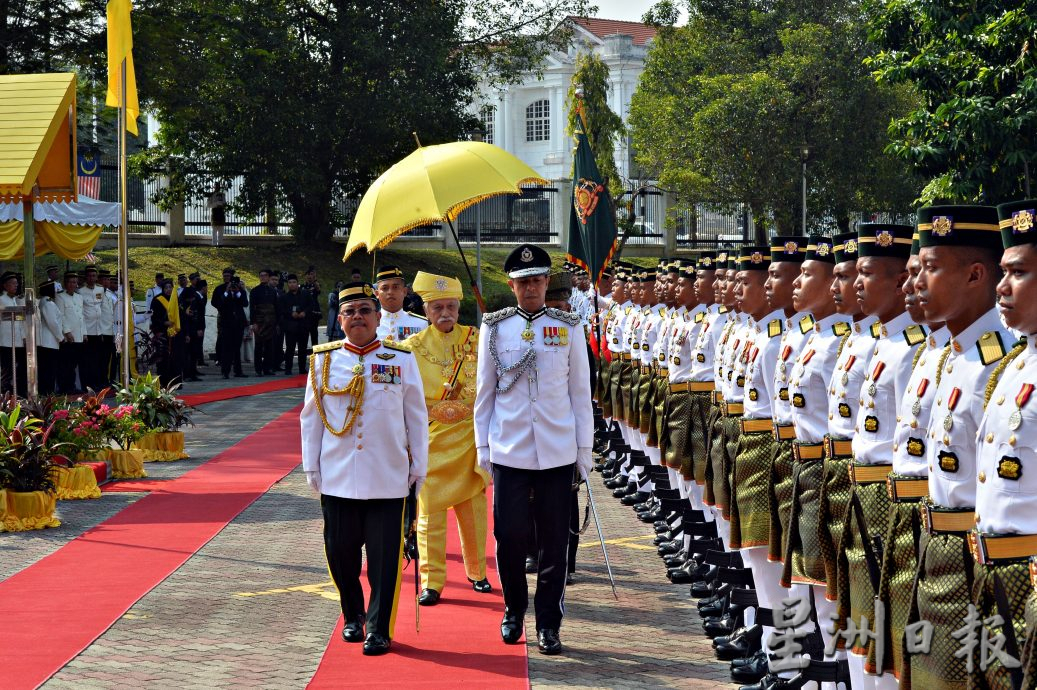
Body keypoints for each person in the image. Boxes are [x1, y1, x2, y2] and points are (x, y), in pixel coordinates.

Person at [910, 205, 1013, 690]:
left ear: (975, 275)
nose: (917, 283)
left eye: (932, 268)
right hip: (938, 545)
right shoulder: (953, 353)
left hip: (981, 559)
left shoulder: (999, 359)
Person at [473, 243, 593, 656]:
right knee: (508, 536)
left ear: (546, 283)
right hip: (510, 448)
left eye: (538, 280)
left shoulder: (569, 325)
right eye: (523, 282)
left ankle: (549, 622)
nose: (531, 288)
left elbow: (580, 391)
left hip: (557, 450)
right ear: (511, 284)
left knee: (554, 540)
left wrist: (583, 447)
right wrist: (482, 445)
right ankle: (512, 609)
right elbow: (484, 393)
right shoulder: (495, 326)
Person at [301, 281, 428, 656]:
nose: (358, 317)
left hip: (388, 477)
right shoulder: (322, 360)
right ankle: (353, 615)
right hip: (338, 477)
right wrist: (312, 467)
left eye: (365, 311)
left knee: (385, 561)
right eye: (350, 312)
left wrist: (419, 466)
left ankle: (378, 629)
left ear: (377, 317)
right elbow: (310, 419)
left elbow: (416, 417)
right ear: (339, 320)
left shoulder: (401, 359)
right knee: (340, 554)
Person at [975, 199, 1037, 690]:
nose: (1002, 287)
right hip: (995, 578)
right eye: (1002, 271)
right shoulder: (1013, 364)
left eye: (1018, 272)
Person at [401, 271, 491, 606]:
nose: (445, 313)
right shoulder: (411, 348)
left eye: (451, 306)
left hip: (468, 437)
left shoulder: (477, 338)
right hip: (431, 440)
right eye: (438, 307)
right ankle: (432, 580)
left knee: (473, 511)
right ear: (426, 310)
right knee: (430, 518)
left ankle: (477, 572)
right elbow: (405, 398)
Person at [79, 265, 115, 391]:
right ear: (85, 277)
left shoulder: (100, 290)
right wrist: (83, 332)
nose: (91, 278)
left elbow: (102, 309)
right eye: (89, 275)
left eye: (94, 276)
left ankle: (97, 382)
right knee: (87, 361)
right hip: (87, 331)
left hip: (99, 331)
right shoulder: (80, 292)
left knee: (98, 359)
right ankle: (87, 385)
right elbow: (81, 313)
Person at [374, 265, 427, 343]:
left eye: (395, 287)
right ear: (377, 294)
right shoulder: (369, 324)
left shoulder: (421, 324)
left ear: (405, 292)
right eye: (385, 288)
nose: (390, 292)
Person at [211, 275, 249, 379]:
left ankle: (238, 371)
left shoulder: (241, 292)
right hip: (226, 324)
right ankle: (225, 371)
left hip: (238, 324)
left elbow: (245, 303)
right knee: (226, 349)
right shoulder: (223, 292)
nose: (233, 286)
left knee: (237, 348)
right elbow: (218, 303)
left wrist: (237, 292)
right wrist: (227, 292)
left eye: (235, 284)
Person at [55, 271, 85, 393]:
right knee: (65, 364)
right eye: (71, 282)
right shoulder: (60, 297)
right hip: (68, 336)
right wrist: (66, 331)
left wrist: (85, 333)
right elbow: (60, 316)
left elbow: (81, 316)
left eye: (75, 282)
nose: (73, 284)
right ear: (65, 283)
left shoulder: (79, 297)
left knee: (74, 364)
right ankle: (64, 387)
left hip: (78, 335)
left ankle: (72, 386)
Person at [0, 271, 26, 396]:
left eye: (17, 283)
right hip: (6, 341)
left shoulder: (15, 300)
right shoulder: (1, 300)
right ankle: (4, 395)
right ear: (5, 285)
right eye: (13, 283)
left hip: (17, 340)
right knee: (7, 370)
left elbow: (20, 320)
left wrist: (24, 337)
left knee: (17, 369)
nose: (16, 286)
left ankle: (16, 393)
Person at [278, 274, 311, 375]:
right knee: (290, 348)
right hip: (290, 326)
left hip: (303, 325)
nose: (292, 284)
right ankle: (288, 368)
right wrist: (290, 313)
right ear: (288, 284)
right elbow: (281, 310)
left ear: (297, 283)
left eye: (294, 282)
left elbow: (311, 305)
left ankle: (302, 368)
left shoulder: (305, 294)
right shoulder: (284, 297)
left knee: (303, 348)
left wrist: (304, 312)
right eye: (290, 283)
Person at [251, 269, 280, 376]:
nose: (263, 277)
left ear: (268, 277)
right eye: (261, 275)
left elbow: (276, 307)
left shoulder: (273, 291)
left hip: (271, 322)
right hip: (259, 322)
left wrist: (277, 323)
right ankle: (258, 369)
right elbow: (252, 308)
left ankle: (267, 368)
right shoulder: (255, 291)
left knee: (269, 346)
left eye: (265, 275)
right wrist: (253, 323)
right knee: (258, 346)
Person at [36, 280, 63, 394]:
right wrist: (61, 337)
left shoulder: (43, 301)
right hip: (49, 341)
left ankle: (46, 391)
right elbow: (53, 323)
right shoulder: (48, 303)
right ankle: (48, 392)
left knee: (45, 368)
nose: (56, 291)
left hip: (46, 341)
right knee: (49, 369)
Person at [302, 266, 322, 350]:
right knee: (304, 334)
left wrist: (315, 280)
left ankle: (316, 353)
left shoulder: (316, 285)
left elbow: (318, 290)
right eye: (308, 274)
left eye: (311, 274)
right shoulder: (302, 287)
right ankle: (302, 351)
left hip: (314, 313)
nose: (309, 276)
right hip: (305, 313)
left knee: (314, 333)